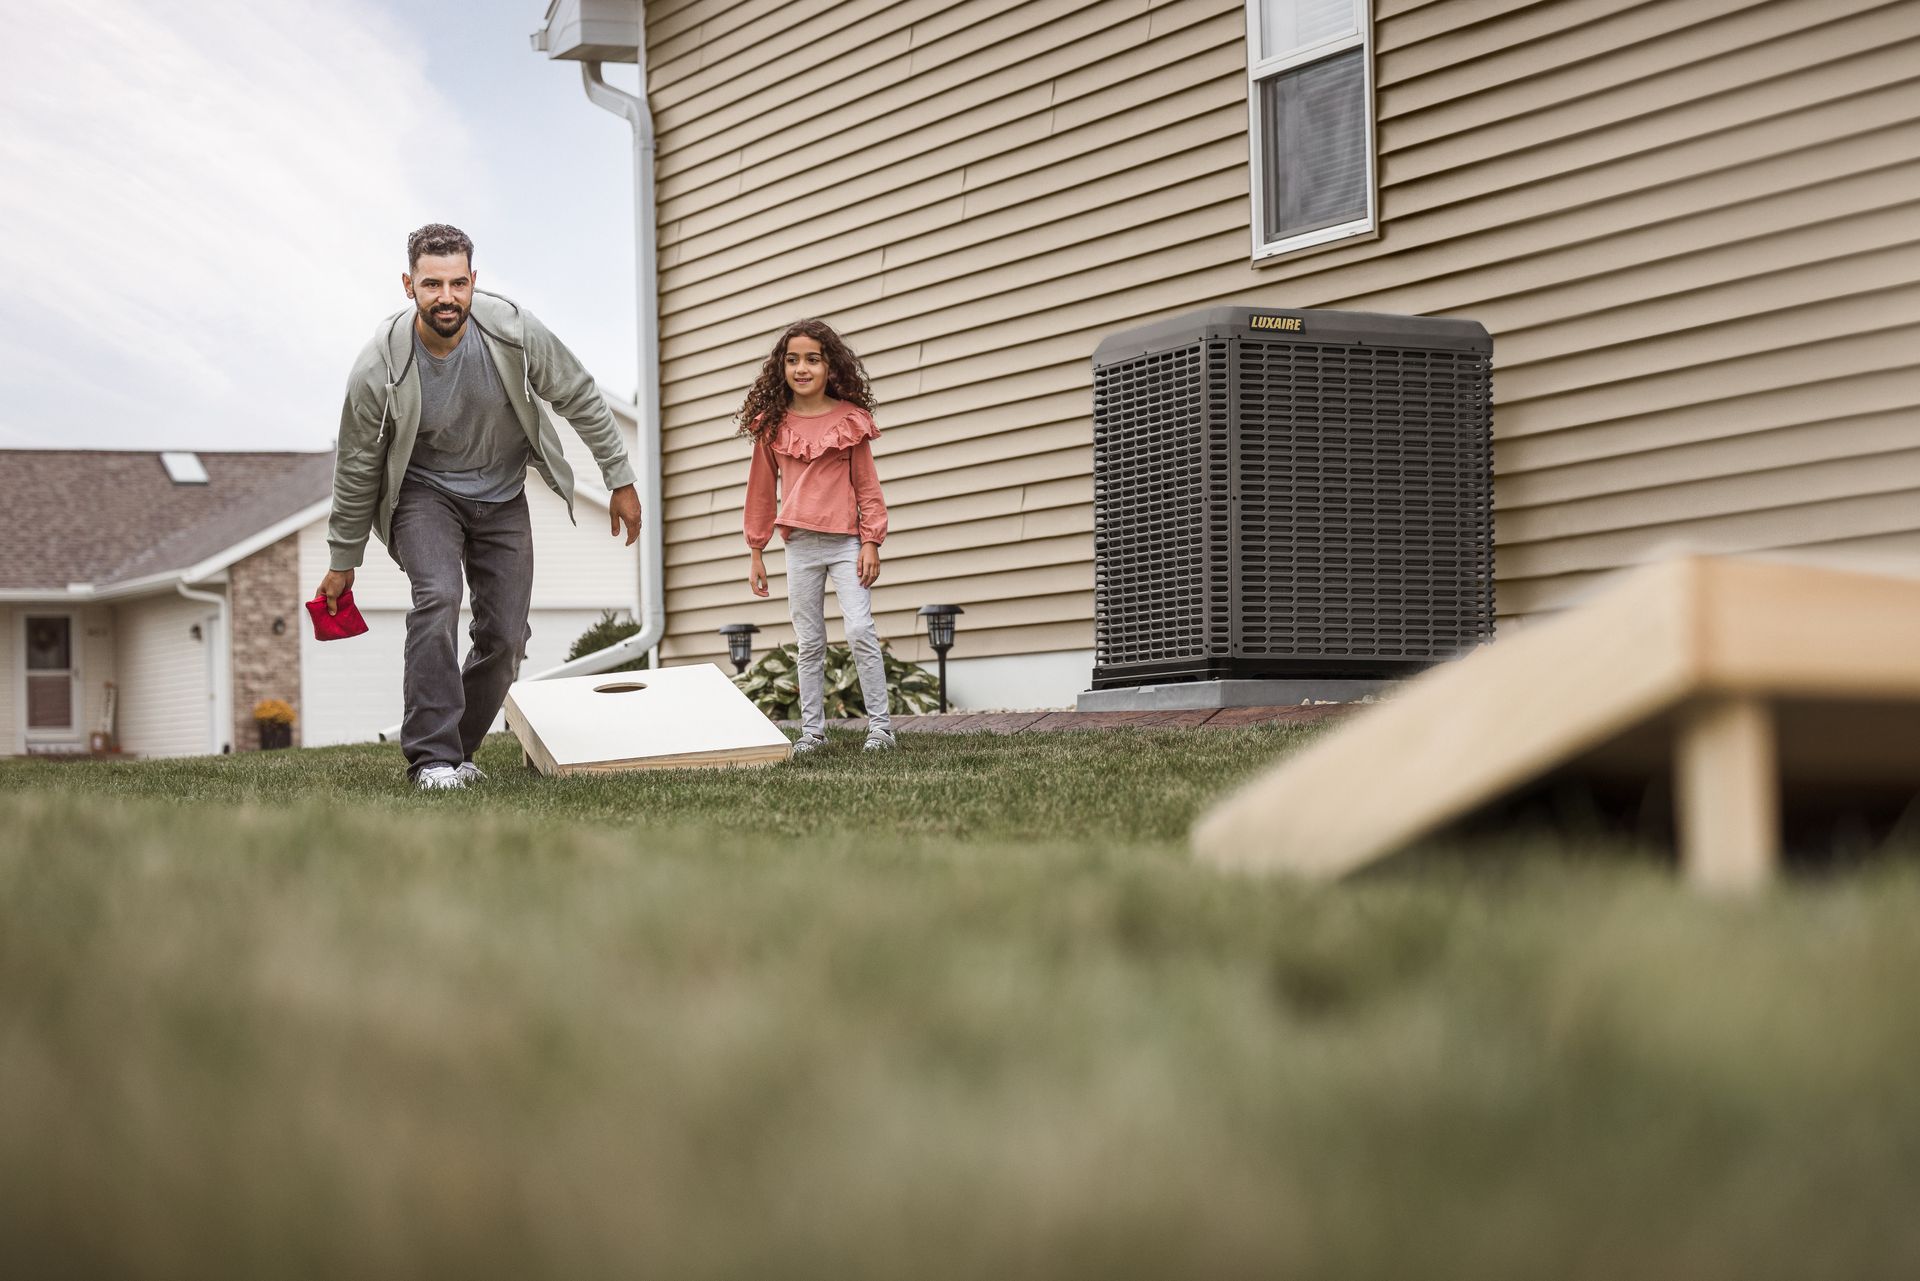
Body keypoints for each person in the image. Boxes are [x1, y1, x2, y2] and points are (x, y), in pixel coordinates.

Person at [315, 223, 642, 790]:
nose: (446, 297)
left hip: (503, 493)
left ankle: (456, 752)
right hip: (425, 494)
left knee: (507, 636)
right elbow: (357, 465)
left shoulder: (513, 332)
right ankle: (431, 760)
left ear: (474, 282)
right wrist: (343, 559)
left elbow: (581, 396)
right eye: (432, 284)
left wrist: (620, 478)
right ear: (408, 285)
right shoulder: (380, 367)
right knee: (438, 598)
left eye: (458, 283)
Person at [740, 320, 894, 755]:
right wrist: (756, 550)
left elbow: (867, 486)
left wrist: (870, 541)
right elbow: (760, 492)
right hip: (800, 546)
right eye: (792, 360)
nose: (801, 368)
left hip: (847, 544)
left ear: (830, 365)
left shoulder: (851, 420)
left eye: (812, 359)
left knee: (861, 628)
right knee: (810, 642)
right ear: (781, 368)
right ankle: (812, 733)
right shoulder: (772, 425)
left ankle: (881, 729)